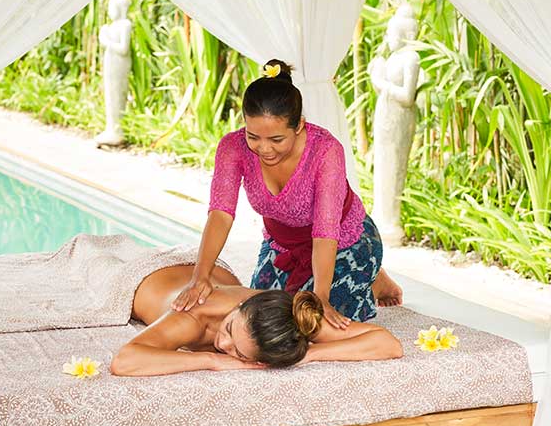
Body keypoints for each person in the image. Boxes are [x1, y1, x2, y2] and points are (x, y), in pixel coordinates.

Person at [172, 59, 403, 329]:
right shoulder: (232, 148)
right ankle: (370, 277)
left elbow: (325, 231)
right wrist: (201, 276)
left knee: (311, 323)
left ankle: (370, 275)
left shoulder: (326, 150)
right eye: (253, 136)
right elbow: (221, 214)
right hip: (283, 243)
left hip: (343, 238)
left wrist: (321, 297)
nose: (264, 149)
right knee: (259, 319)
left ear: (299, 126)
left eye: (276, 140)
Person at [110, 262, 403, 377]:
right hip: (144, 274)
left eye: (237, 351)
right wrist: (212, 360)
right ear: (242, 305)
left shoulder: (285, 316)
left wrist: (311, 353)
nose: (221, 343)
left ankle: (376, 275)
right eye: (228, 329)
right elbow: (125, 360)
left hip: (217, 271)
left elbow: (387, 344)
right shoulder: (193, 318)